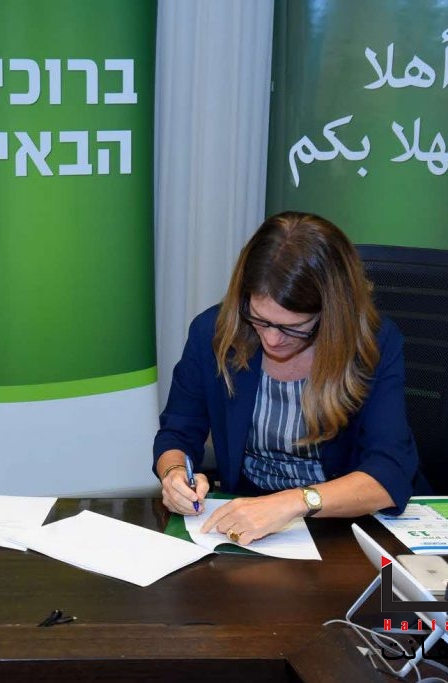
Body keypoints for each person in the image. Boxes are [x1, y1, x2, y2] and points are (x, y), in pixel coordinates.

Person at [153, 211, 418, 544]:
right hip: (246, 521)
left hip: (341, 528)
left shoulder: (373, 345)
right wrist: (175, 474)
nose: (272, 339)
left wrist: (293, 502)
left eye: (293, 327)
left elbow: (389, 472)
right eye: (260, 319)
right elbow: (178, 431)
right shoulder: (213, 332)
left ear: (331, 313)